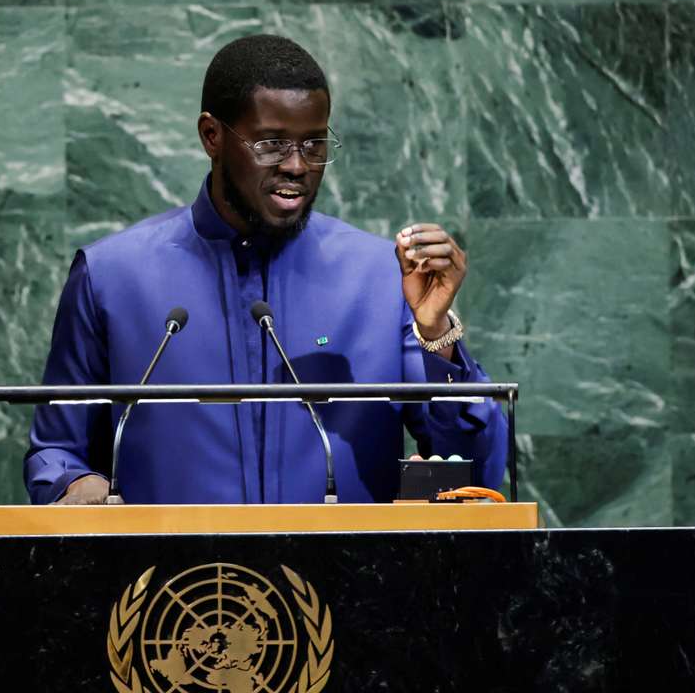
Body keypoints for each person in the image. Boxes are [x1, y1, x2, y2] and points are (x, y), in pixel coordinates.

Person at [25, 34, 507, 505]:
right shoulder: (111, 277)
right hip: (173, 583)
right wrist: (71, 485)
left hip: (344, 581)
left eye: (314, 145)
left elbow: (475, 471)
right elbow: (56, 449)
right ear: (211, 136)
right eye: (273, 144)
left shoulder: (380, 279)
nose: (298, 166)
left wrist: (436, 333)